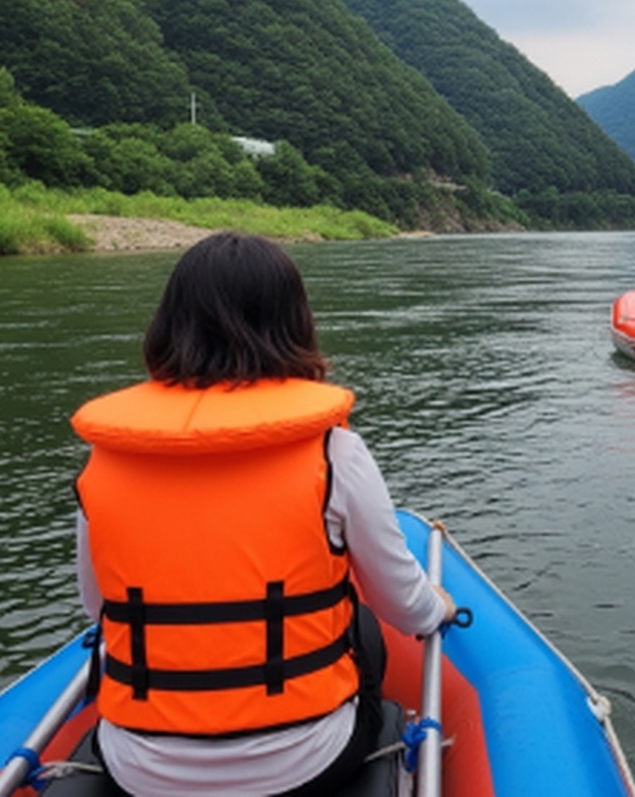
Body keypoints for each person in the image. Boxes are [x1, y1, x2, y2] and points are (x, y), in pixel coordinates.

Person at [71, 232, 455, 796]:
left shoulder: (106, 460)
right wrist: (436, 608)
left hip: (140, 769)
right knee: (365, 629)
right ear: (294, 322)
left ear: (169, 323)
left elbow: (98, 606)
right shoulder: (334, 451)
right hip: (303, 761)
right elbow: (403, 603)